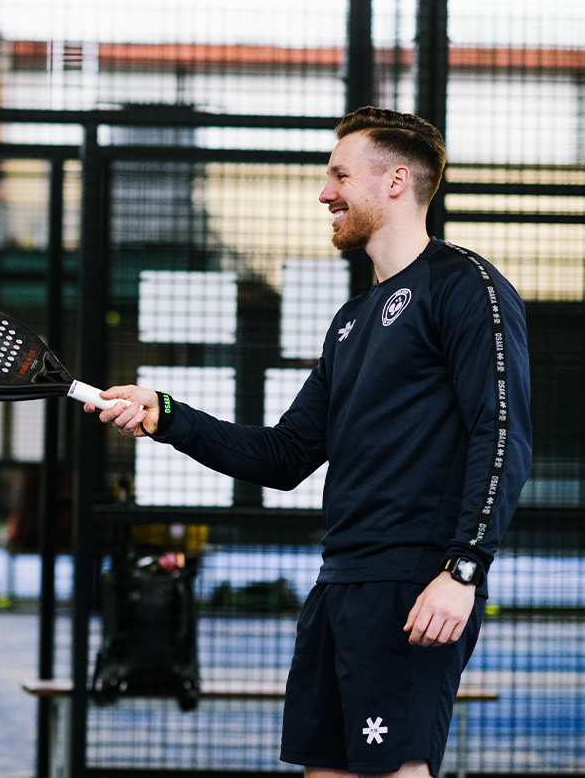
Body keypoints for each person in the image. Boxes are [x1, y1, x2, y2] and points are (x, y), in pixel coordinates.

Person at [88, 107, 531, 778]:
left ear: (395, 182)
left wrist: (462, 570)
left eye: (340, 175)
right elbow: (286, 454)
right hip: (339, 584)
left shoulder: (465, 287)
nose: (325, 193)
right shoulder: (351, 320)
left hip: (414, 583)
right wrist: (167, 415)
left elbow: (501, 435)